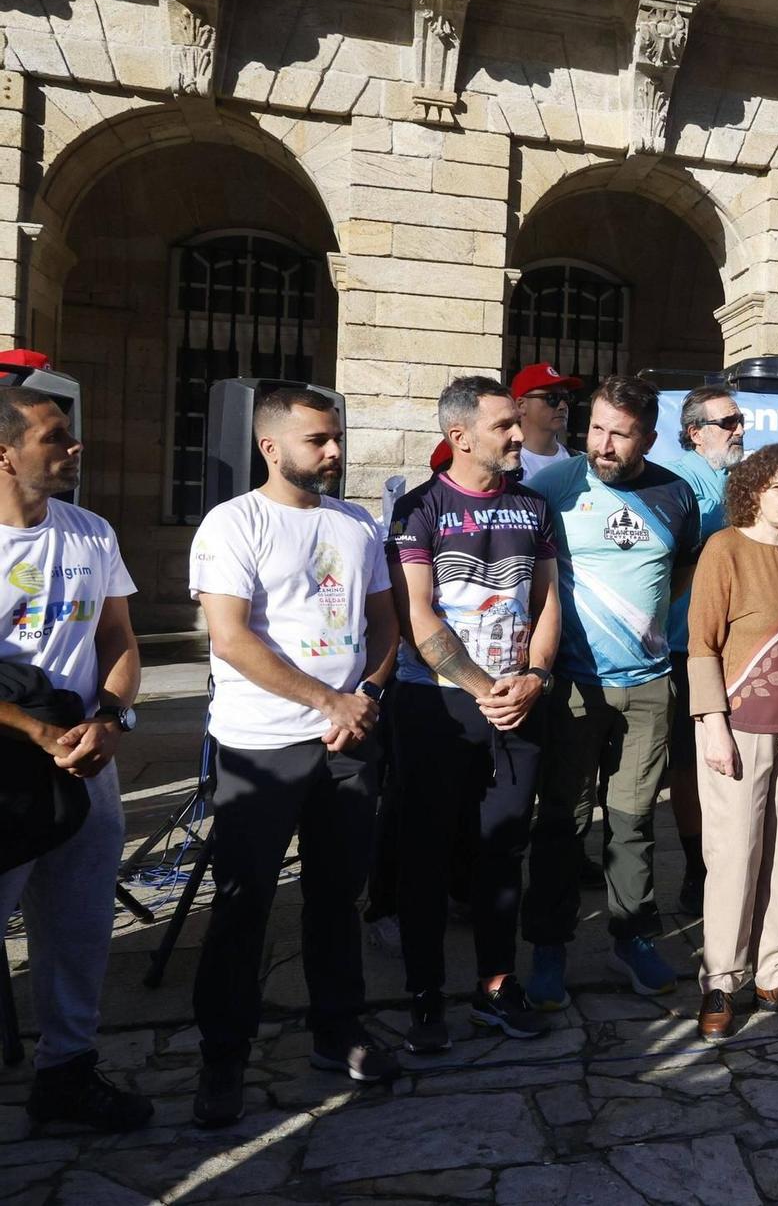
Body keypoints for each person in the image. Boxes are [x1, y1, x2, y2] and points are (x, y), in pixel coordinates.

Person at [186, 386, 399, 1126]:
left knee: (338, 895)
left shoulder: (357, 524)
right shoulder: (232, 524)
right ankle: (224, 1056)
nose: (336, 452)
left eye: (337, 436)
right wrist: (326, 701)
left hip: (347, 741)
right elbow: (232, 638)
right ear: (271, 447)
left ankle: (337, 1027)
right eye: (319, 440)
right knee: (242, 903)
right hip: (261, 744)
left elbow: (385, 624)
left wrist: (364, 694)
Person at [387, 375, 560, 1051]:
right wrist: (482, 684)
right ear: (459, 436)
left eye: (518, 422)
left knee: (503, 848)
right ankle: (425, 995)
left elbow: (548, 601)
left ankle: (495, 986)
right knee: (427, 853)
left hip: (518, 703)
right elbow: (415, 612)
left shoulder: (533, 506)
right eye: (504, 426)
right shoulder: (419, 508)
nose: (519, 435)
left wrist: (537, 676)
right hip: (436, 703)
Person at [521, 377, 703, 1009]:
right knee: (562, 823)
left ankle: (634, 938)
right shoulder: (551, 488)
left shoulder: (675, 494)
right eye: (595, 428)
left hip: (649, 688)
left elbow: (679, 570)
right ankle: (548, 947)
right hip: (571, 688)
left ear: (647, 437)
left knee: (632, 824)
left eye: (618, 433)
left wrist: (640, 634)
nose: (602, 443)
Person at [0, 388, 149, 1132]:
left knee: (79, 924)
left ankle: (66, 1072)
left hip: (87, 763)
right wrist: (33, 729)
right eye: (55, 437)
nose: (73, 447)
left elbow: (118, 639)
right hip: (8, 771)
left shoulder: (90, 533)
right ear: (6, 453)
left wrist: (112, 717)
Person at [688, 444, 778, 1039]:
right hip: (739, 726)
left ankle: (776, 972)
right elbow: (702, 645)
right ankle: (722, 979)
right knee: (733, 855)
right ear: (752, 491)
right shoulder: (725, 548)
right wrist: (713, 725)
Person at [660, 385, 747, 910]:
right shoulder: (681, 482)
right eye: (728, 422)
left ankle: (734, 862)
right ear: (695, 432)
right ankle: (699, 869)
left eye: (740, 421)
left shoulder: (740, 480)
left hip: (736, 646)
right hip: (684, 644)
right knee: (692, 763)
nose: (739, 429)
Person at [512, 363, 583, 482]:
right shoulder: (504, 466)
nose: (563, 406)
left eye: (566, 398)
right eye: (551, 397)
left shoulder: (581, 463)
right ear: (521, 405)